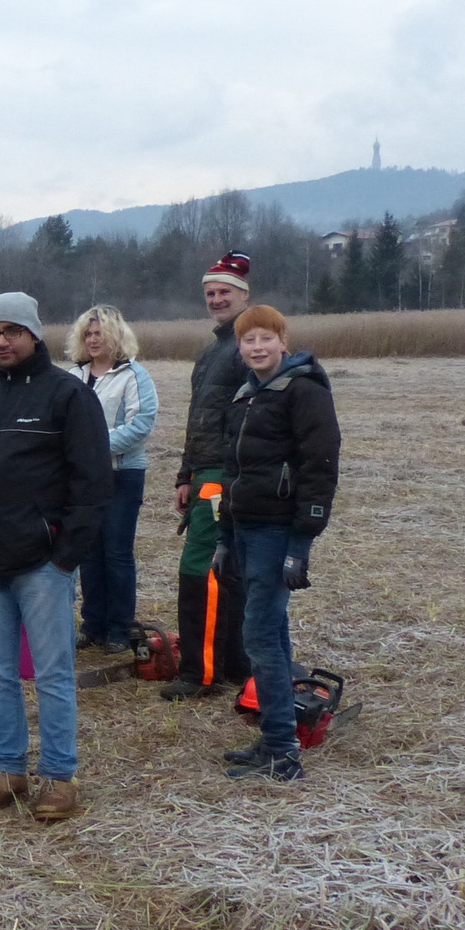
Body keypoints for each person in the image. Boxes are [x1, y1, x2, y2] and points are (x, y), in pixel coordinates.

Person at [0, 292, 111, 821]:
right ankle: (9, 770)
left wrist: (65, 556)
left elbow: (93, 485)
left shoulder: (67, 396)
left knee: (53, 673)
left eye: (11, 331)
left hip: (42, 562)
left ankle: (60, 777)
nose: (1, 341)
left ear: (34, 335)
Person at [215, 305, 339, 781]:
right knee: (273, 631)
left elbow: (320, 469)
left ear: (284, 342)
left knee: (260, 635)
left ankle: (283, 749)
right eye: (249, 341)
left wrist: (300, 542)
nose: (258, 347)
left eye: (267, 338)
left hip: (276, 531)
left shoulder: (303, 391)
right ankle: (276, 736)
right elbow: (233, 471)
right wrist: (225, 535)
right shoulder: (246, 395)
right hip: (245, 527)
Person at [164, 252, 256, 700]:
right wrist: (186, 474)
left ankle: (199, 672)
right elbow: (199, 419)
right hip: (204, 473)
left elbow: (246, 423)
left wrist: (222, 477)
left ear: (244, 295)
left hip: (224, 476)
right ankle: (237, 662)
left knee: (204, 571)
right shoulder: (211, 350)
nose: (217, 299)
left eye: (225, 292)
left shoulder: (247, 348)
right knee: (229, 569)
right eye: (211, 293)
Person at [65, 305, 158, 652]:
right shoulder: (74, 376)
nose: (92, 339)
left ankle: (120, 627)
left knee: (116, 552)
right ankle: (93, 624)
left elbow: (140, 424)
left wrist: (93, 446)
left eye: (99, 332)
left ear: (115, 336)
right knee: (88, 552)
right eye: (88, 333)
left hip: (123, 474)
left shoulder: (134, 375)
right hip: (84, 479)